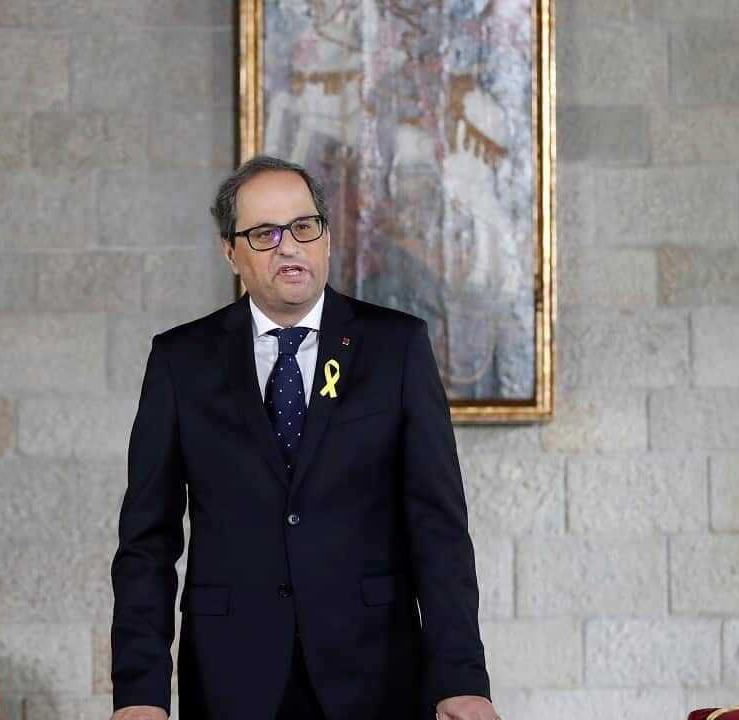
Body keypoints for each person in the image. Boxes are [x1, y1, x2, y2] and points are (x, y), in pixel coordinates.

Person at [110, 156, 497, 720]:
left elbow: (438, 528)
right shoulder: (180, 361)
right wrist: (139, 694)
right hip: (230, 678)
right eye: (264, 234)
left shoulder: (397, 348)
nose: (288, 247)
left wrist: (461, 678)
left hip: (375, 674)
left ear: (327, 237)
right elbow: (147, 542)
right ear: (230, 251)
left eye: (303, 227)